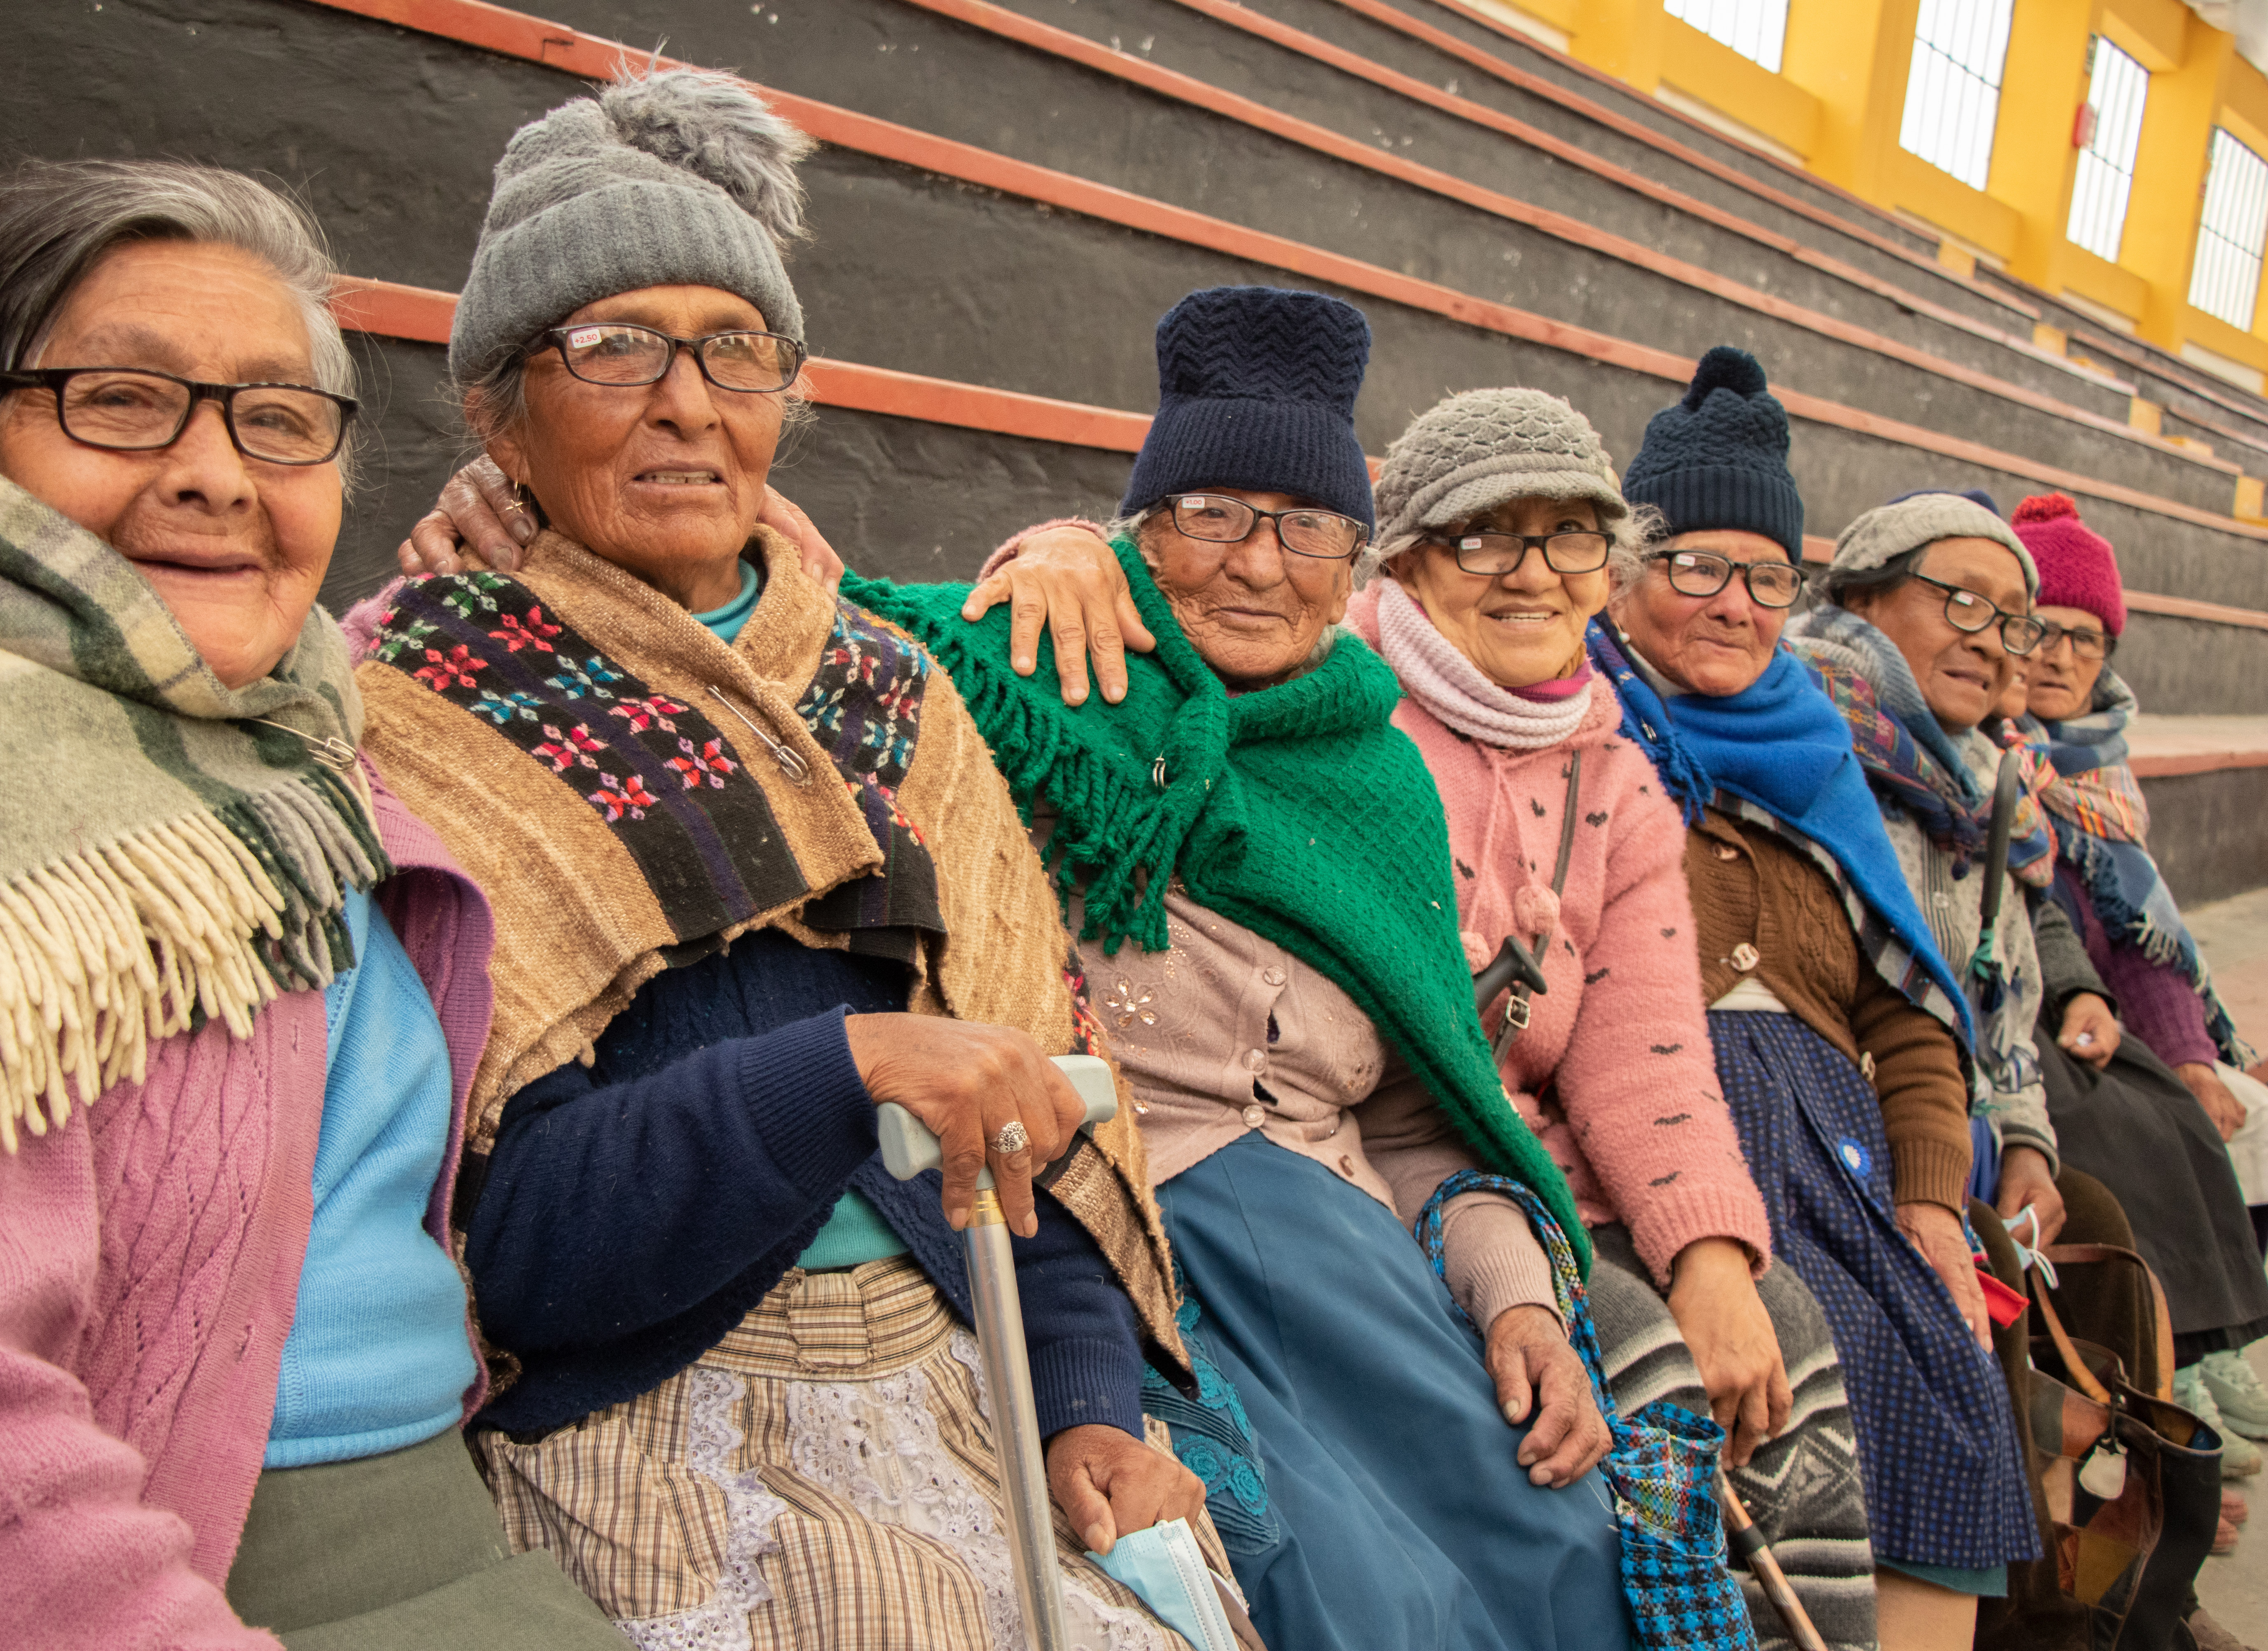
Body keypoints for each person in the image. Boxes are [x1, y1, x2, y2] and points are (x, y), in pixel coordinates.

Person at [348, 70, 1215, 1651]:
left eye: (735, 347)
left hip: (974, 1354)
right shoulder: (425, 706)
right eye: (611, 346)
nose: (687, 401)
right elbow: (516, 1250)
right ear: (494, 411)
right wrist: (849, 1065)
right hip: (662, 1409)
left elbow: (1038, 1089)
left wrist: (1090, 1401)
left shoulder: (887, 689)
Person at [0, 161, 616, 1649]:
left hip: (464, 1529)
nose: (218, 473)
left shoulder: (287, 749)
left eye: (279, 421)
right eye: (120, 400)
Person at [858, 285, 1633, 1651]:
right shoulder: (1033, 670)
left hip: (1349, 1260)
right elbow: (798, 619)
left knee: (1558, 1539)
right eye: (1209, 514)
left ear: (1357, 562)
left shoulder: (1383, 783)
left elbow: (1415, 1120)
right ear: (1142, 532)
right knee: (1331, 1593)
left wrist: (1518, 1299)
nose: (1259, 565)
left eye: (1307, 527)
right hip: (1120, 1246)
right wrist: (1037, 552)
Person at [1339, 383, 1871, 1651]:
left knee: (1781, 1337)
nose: (1532, 574)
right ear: (1410, 557)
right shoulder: (1343, 711)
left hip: (1553, 1176)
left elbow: (1648, 1047)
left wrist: (1708, 1254)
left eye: (1570, 535)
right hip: (1394, 1166)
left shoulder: (1614, 772)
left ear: (1606, 566)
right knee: (1642, 1362)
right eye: (1485, 537)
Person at [1595, 348, 2043, 1649]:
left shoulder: (1819, 758)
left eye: (1767, 578)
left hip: (1840, 1153)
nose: (1735, 605)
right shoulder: (1569, 721)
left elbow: (1910, 1012)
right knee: (1803, 1366)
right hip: (1669, 1135)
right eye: (1695, 568)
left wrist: (1929, 1200)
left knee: (1948, 1371)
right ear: (1625, 570)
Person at [2004, 492, 2268, 1456]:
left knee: (2230, 1103)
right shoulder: (2004, 760)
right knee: (2143, 1123)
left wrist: (2197, 1049)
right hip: (2036, 1014)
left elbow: (2144, 945)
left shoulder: (2100, 780)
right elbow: (2036, 922)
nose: (2064, 655)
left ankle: (2219, 1342)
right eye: (2043, 629)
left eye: (2088, 637)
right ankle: (2175, 1362)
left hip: (2091, 997)